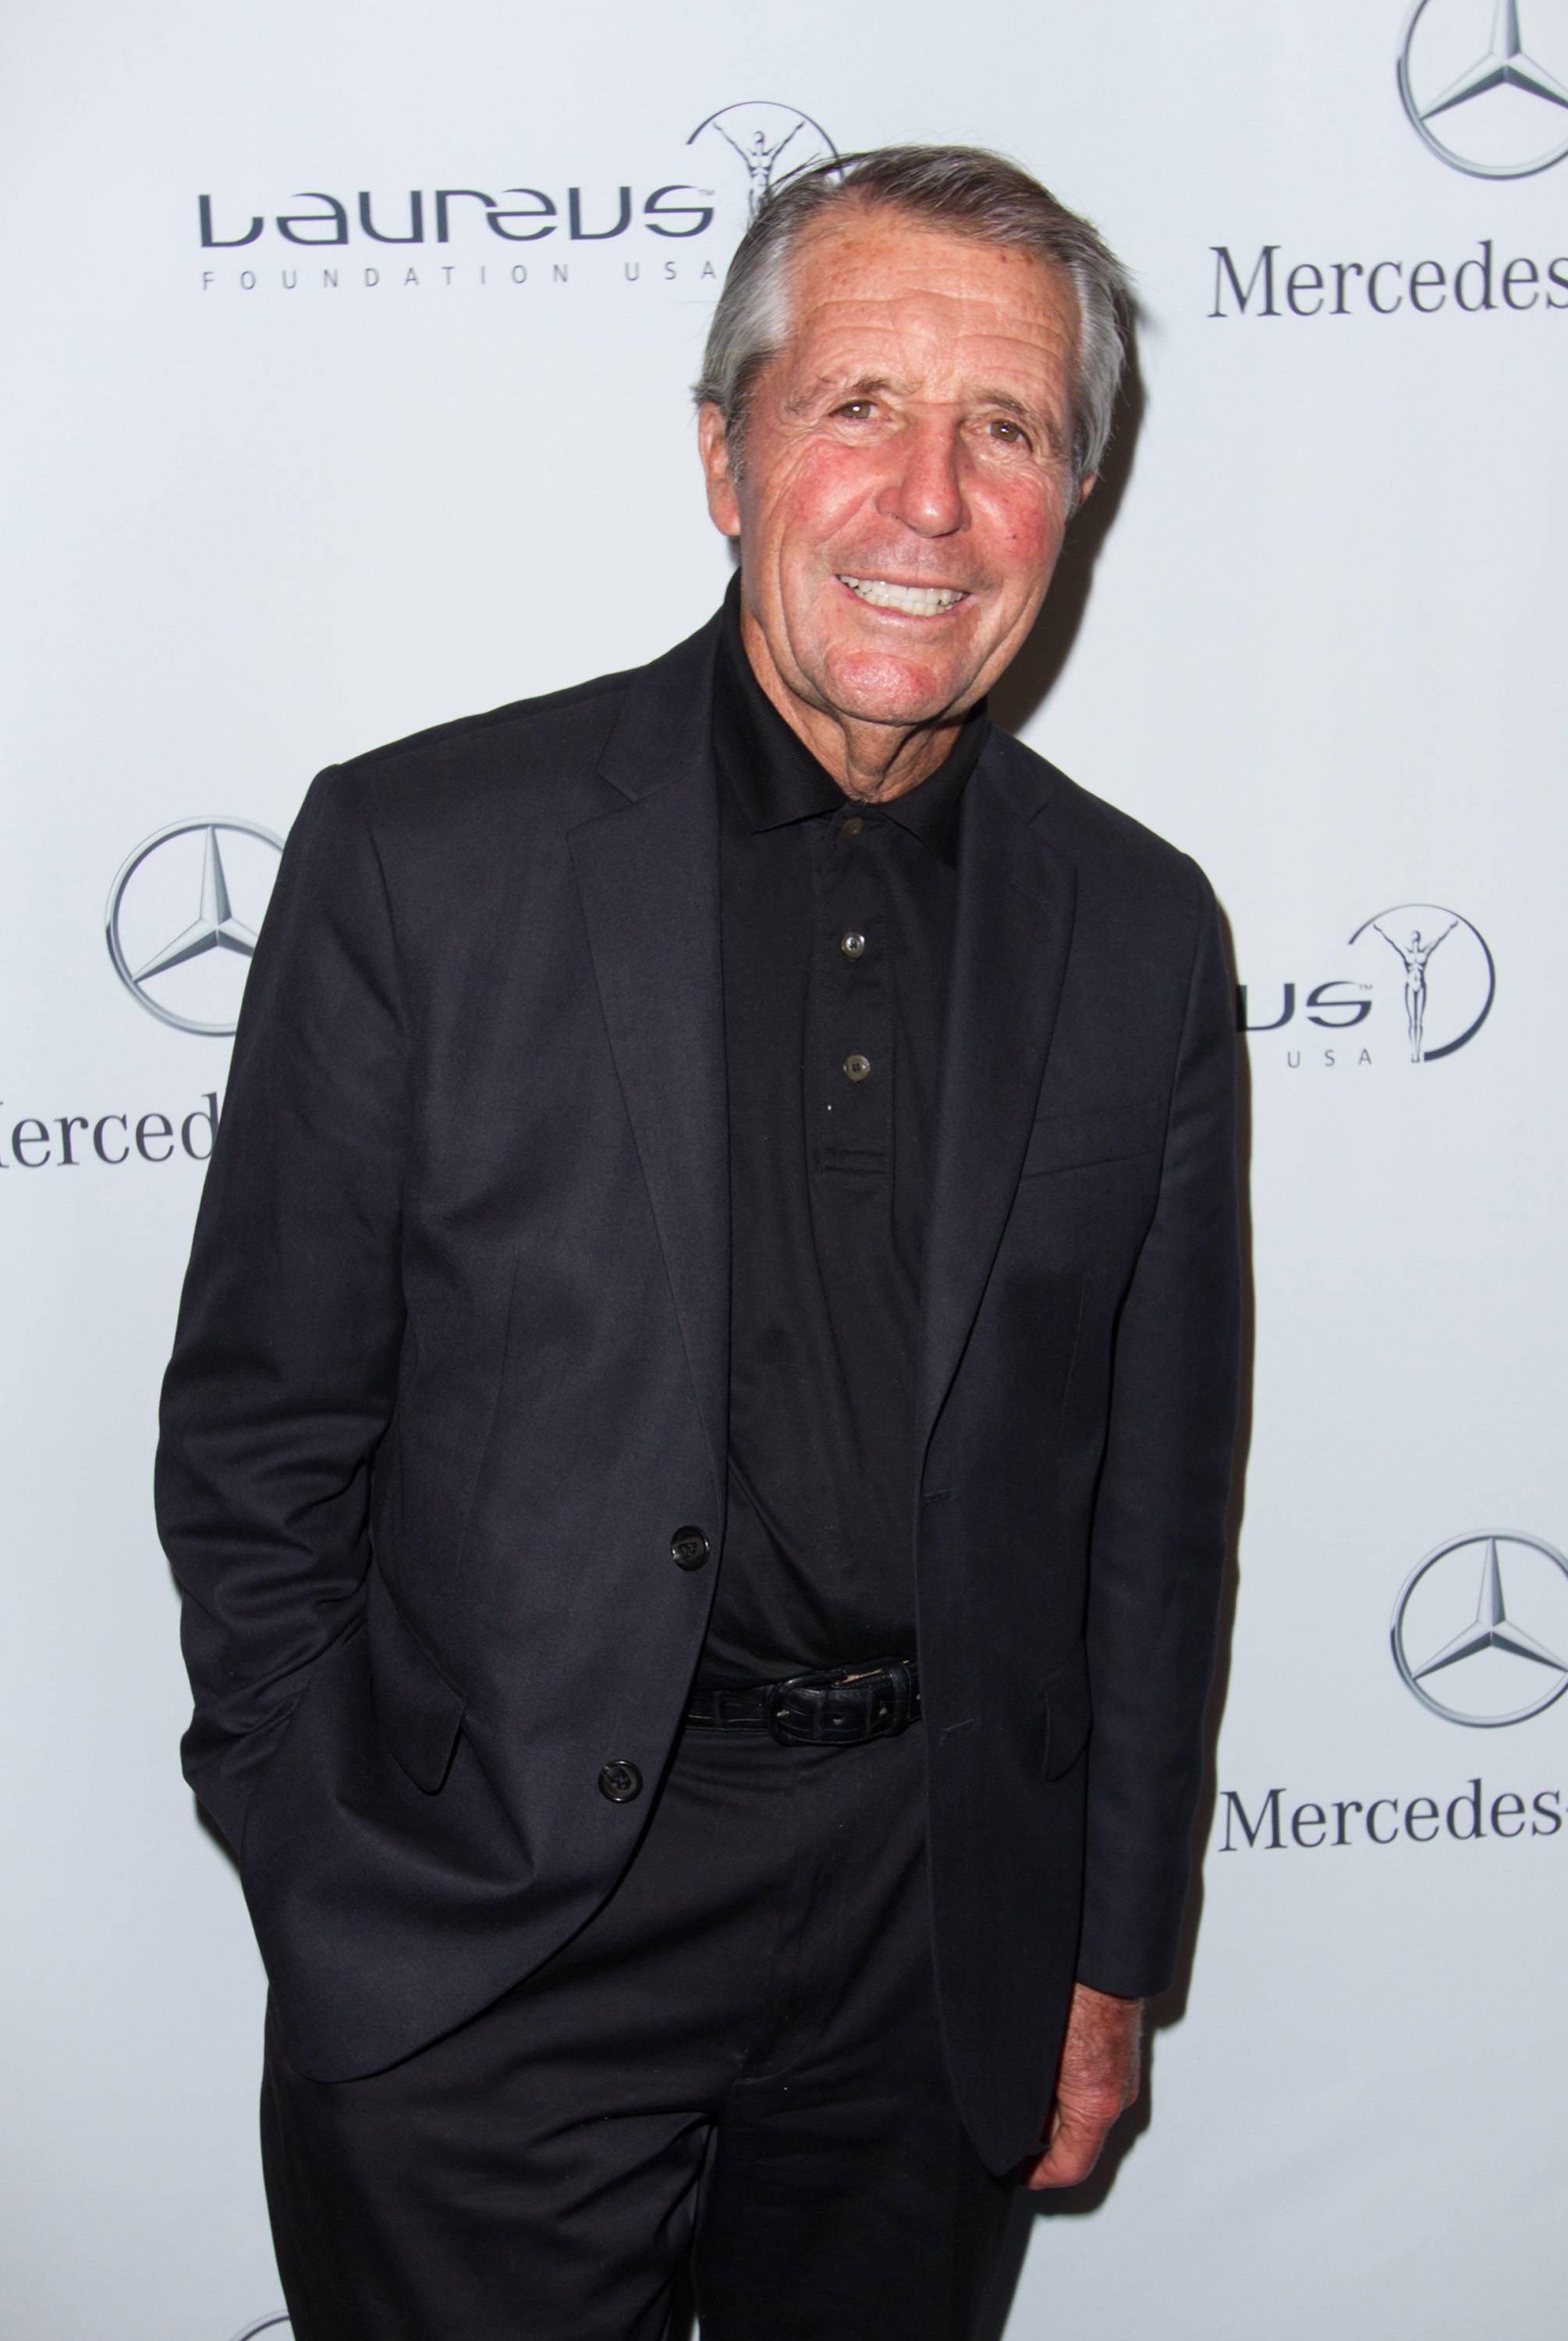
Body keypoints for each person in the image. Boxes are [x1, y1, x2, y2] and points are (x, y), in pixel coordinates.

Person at [157, 145, 1240, 2341]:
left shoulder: (1141, 930)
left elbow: (1150, 1510)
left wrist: (1104, 1949)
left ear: (1075, 497)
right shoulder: (426, 858)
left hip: (935, 1930)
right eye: (859, 407)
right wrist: (335, 1870)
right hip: (497, 1927)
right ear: (728, 457)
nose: (928, 501)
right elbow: (262, 1437)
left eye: (1006, 429)